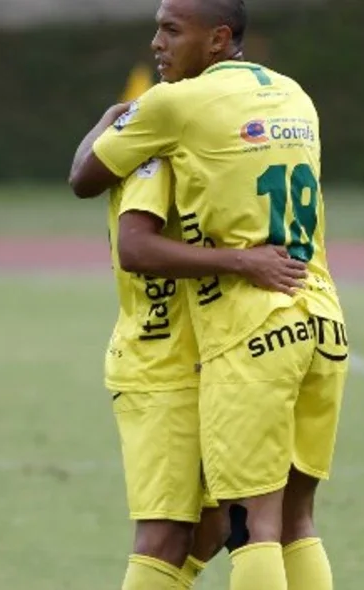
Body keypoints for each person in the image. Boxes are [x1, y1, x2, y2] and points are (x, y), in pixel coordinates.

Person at [69, 1, 347, 589]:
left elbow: (86, 181)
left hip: (246, 332)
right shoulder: (296, 97)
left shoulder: (172, 113)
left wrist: (116, 117)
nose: (156, 43)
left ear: (218, 38)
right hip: (319, 316)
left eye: (171, 30)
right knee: (295, 521)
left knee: (251, 526)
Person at [97, 156, 250, 589]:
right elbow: (136, 248)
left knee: (222, 517)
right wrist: (243, 261)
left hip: (214, 364)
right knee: (164, 535)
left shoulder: (206, 145)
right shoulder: (161, 155)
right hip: (160, 367)